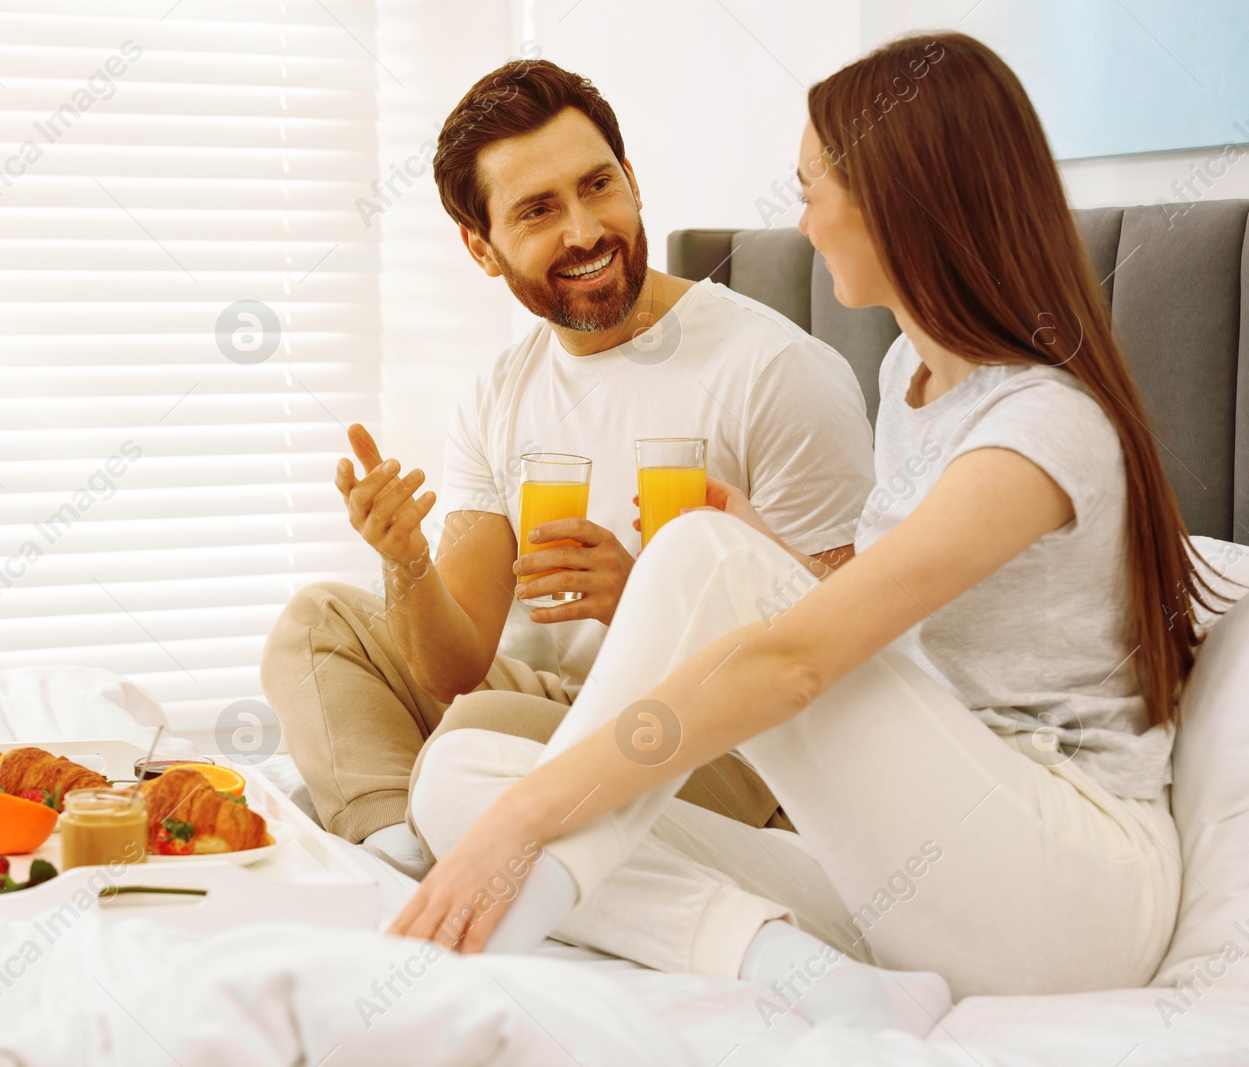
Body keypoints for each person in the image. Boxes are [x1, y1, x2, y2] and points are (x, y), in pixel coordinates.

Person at [392, 32, 1236, 1036]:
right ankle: (793, 966)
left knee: (539, 782)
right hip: (929, 873)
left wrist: (529, 822)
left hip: (1068, 895)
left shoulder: (1042, 428)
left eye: (811, 190)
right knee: (457, 778)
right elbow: (899, 639)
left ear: (896, 204)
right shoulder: (912, 385)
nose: (803, 222)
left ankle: (476, 949)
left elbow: (798, 664)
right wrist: (767, 556)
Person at [260, 60, 875, 876]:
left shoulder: (775, 371)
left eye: (598, 186)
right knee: (317, 624)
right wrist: (406, 562)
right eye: (539, 210)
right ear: (482, 249)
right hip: (553, 710)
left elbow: (849, 656)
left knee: (475, 736)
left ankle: (434, 811)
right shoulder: (498, 394)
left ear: (634, 182)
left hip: (722, 738)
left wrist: (648, 601)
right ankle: (395, 847)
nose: (585, 231)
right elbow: (454, 665)